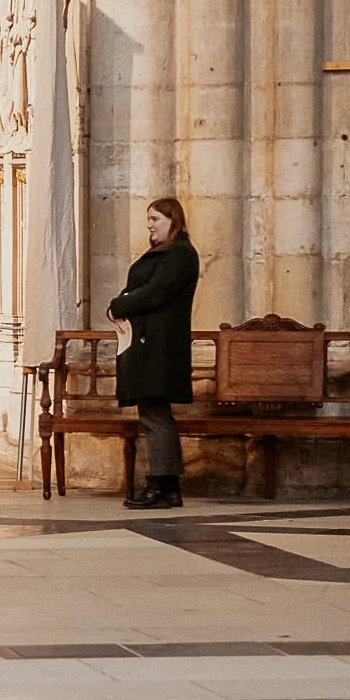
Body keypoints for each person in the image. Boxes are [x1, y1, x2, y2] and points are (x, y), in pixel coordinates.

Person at [110, 197, 201, 510]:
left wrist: (118, 305)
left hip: (160, 347)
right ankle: (168, 487)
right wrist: (120, 304)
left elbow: (155, 293)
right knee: (153, 414)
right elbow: (142, 291)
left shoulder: (180, 255)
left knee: (155, 415)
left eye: (155, 219)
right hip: (149, 344)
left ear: (172, 220)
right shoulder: (167, 253)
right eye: (148, 219)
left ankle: (160, 485)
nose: (149, 225)